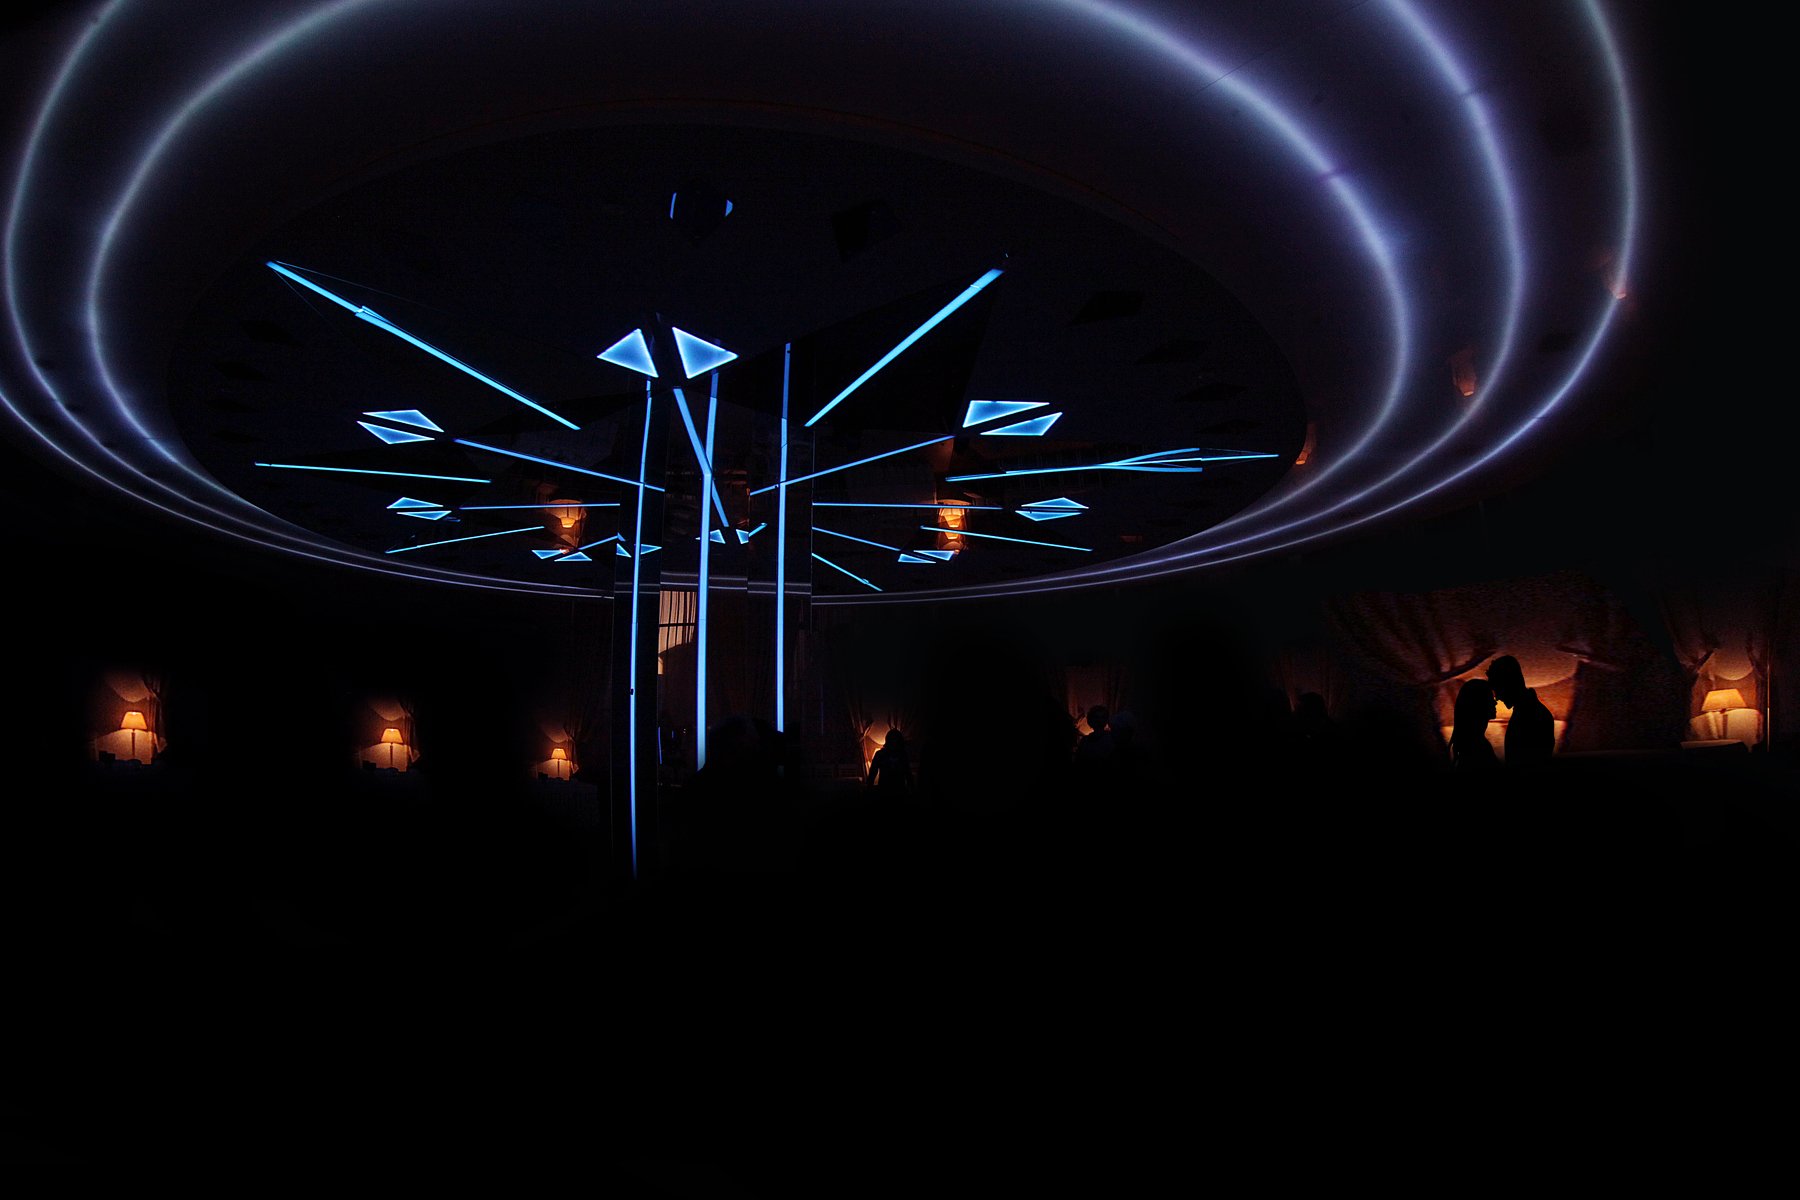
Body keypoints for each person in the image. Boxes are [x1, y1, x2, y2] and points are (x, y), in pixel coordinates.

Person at [1486, 655, 1554, 768]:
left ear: (1508, 684)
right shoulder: (1531, 712)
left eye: (1497, 689)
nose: (1497, 697)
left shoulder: (1531, 716)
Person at [1449, 678, 1500, 771]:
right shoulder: (1476, 746)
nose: (1495, 702)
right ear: (1478, 704)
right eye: (1490, 698)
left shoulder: (1473, 742)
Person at [866, 729, 913, 795]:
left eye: (895, 740)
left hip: (895, 790)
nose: (894, 742)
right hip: (889, 790)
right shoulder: (881, 754)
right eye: (892, 740)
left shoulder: (902, 755)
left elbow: (908, 774)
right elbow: (872, 773)